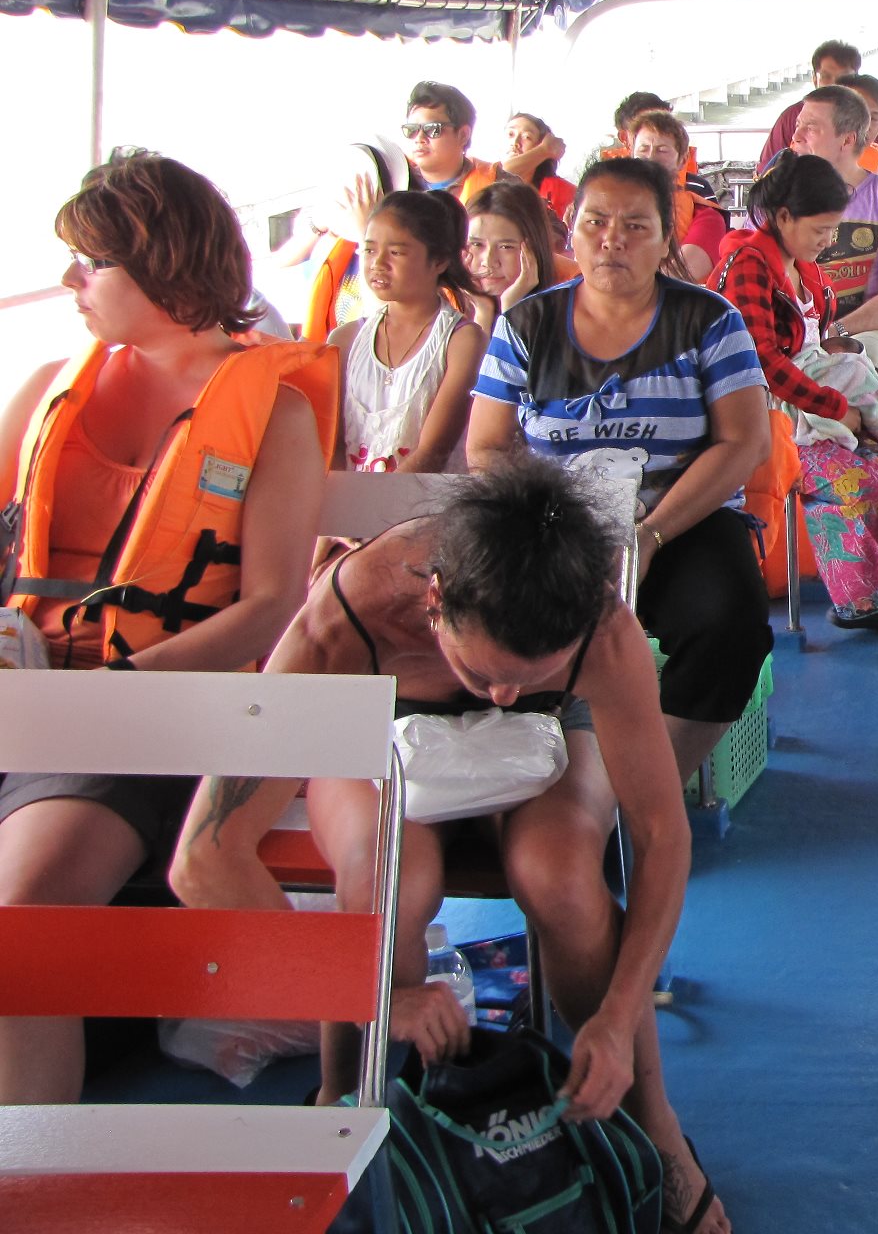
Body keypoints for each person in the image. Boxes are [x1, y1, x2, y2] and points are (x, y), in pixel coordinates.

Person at [197, 458, 726, 1234]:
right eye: (484, 673)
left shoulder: (599, 631)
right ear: (435, 602)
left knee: (560, 877)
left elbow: (660, 835)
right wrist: (374, 995)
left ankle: (654, 1123)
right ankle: (349, 1100)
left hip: (548, 745)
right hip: (387, 735)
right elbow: (207, 857)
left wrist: (618, 1013)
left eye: (526, 677)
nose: (501, 696)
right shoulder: (345, 619)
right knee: (386, 882)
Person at [0, 152, 333, 1105]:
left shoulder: (271, 414)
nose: (70, 283)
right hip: (29, 693)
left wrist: (107, 700)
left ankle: (32, 1180)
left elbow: (268, 604)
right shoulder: (43, 392)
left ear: (163, 266)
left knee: (22, 915)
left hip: (160, 713)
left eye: (89, 262)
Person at [467, 157, 774, 783]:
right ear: (569, 232)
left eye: (636, 226)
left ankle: (647, 786)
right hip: (555, 521)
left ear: (667, 240)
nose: (612, 239)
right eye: (596, 222)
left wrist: (651, 535)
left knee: (731, 624)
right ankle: (542, 775)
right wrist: (555, 525)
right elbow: (489, 448)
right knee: (485, 616)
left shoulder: (710, 321)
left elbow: (744, 442)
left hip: (681, 519)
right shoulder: (527, 324)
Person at [716, 153, 878, 676]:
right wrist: (839, 409)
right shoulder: (749, 266)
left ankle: (872, 597)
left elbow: (814, 338)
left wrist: (845, 362)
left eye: (833, 229)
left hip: (805, 394)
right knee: (856, 481)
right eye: (821, 229)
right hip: (763, 413)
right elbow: (761, 363)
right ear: (782, 218)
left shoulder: (799, 264)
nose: (828, 241)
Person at [330, 190, 487, 474]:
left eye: (396, 252)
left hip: (425, 506)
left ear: (439, 261)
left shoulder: (463, 340)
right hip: (348, 503)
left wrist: (374, 510)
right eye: (369, 250)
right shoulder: (344, 339)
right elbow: (333, 446)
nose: (377, 263)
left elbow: (432, 452)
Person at [786, 86, 878, 353]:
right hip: (791, 327)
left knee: (859, 357)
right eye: (798, 125)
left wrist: (831, 332)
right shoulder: (777, 196)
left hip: (865, 331)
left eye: (811, 128)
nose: (796, 136)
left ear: (846, 140)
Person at [276, 136, 412, 343]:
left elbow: (383, 314)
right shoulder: (334, 246)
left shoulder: (406, 251)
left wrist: (366, 235)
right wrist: (317, 224)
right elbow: (279, 268)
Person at [755, 40, 878, 176]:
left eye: (844, 80)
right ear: (815, 80)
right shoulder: (791, 118)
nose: (835, 86)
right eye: (826, 77)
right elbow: (766, 177)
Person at [464, 177, 581, 333]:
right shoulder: (451, 292)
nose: (489, 262)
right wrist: (482, 312)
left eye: (506, 247)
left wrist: (512, 311)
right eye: (477, 244)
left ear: (534, 246)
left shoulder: (572, 293)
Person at [629, 109, 726, 282]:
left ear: (682, 160)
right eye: (643, 149)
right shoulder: (610, 207)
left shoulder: (707, 217)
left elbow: (679, 275)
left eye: (662, 150)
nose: (650, 157)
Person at [501, 111, 575, 230]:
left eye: (527, 137)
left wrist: (545, 150)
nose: (515, 143)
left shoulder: (562, 191)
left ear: (539, 145)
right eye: (510, 134)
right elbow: (502, 174)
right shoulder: (479, 175)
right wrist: (546, 149)